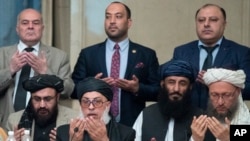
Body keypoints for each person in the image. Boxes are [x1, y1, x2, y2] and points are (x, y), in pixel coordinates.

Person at [71, 1, 160, 127]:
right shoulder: (88, 54)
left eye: (118, 16)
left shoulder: (146, 54)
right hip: (95, 125)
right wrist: (91, 86)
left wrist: (137, 88)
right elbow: (73, 89)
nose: (112, 21)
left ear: (129, 22)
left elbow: (159, 91)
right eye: (108, 16)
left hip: (132, 126)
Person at [0, 8, 74, 127]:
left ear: (42, 28)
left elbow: (68, 90)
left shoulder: (60, 56)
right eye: (25, 23)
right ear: (17, 29)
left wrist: (46, 73)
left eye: (35, 23)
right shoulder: (2, 54)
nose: (30, 27)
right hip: (5, 124)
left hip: (44, 125)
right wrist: (10, 70)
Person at [172, 3, 250, 110]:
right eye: (201, 20)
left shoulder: (241, 52)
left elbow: (248, 89)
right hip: (187, 118)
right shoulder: (181, 52)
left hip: (225, 119)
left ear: (224, 24)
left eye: (213, 20)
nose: (206, 24)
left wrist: (216, 83)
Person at [133, 60, 203, 141]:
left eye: (182, 83)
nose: (176, 89)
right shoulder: (146, 114)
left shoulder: (200, 119)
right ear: (162, 84)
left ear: (190, 87)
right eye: (171, 82)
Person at [57, 77, 135, 141]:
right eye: (86, 102)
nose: (91, 107)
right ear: (80, 105)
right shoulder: (63, 132)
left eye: (97, 101)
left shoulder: (126, 134)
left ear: (108, 105)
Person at [5, 74, 78, 141]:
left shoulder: (74, 120)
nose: (42, 105)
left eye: (47, 99)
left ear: (57, 97)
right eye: (37, 99)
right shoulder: (14, 121)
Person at [190, 68, 250, 141]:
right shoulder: (200, 123)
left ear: (238, 92)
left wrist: (227, 139)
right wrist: (196, 139)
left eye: (227, 95)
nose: (220, 102)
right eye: (214, 95)